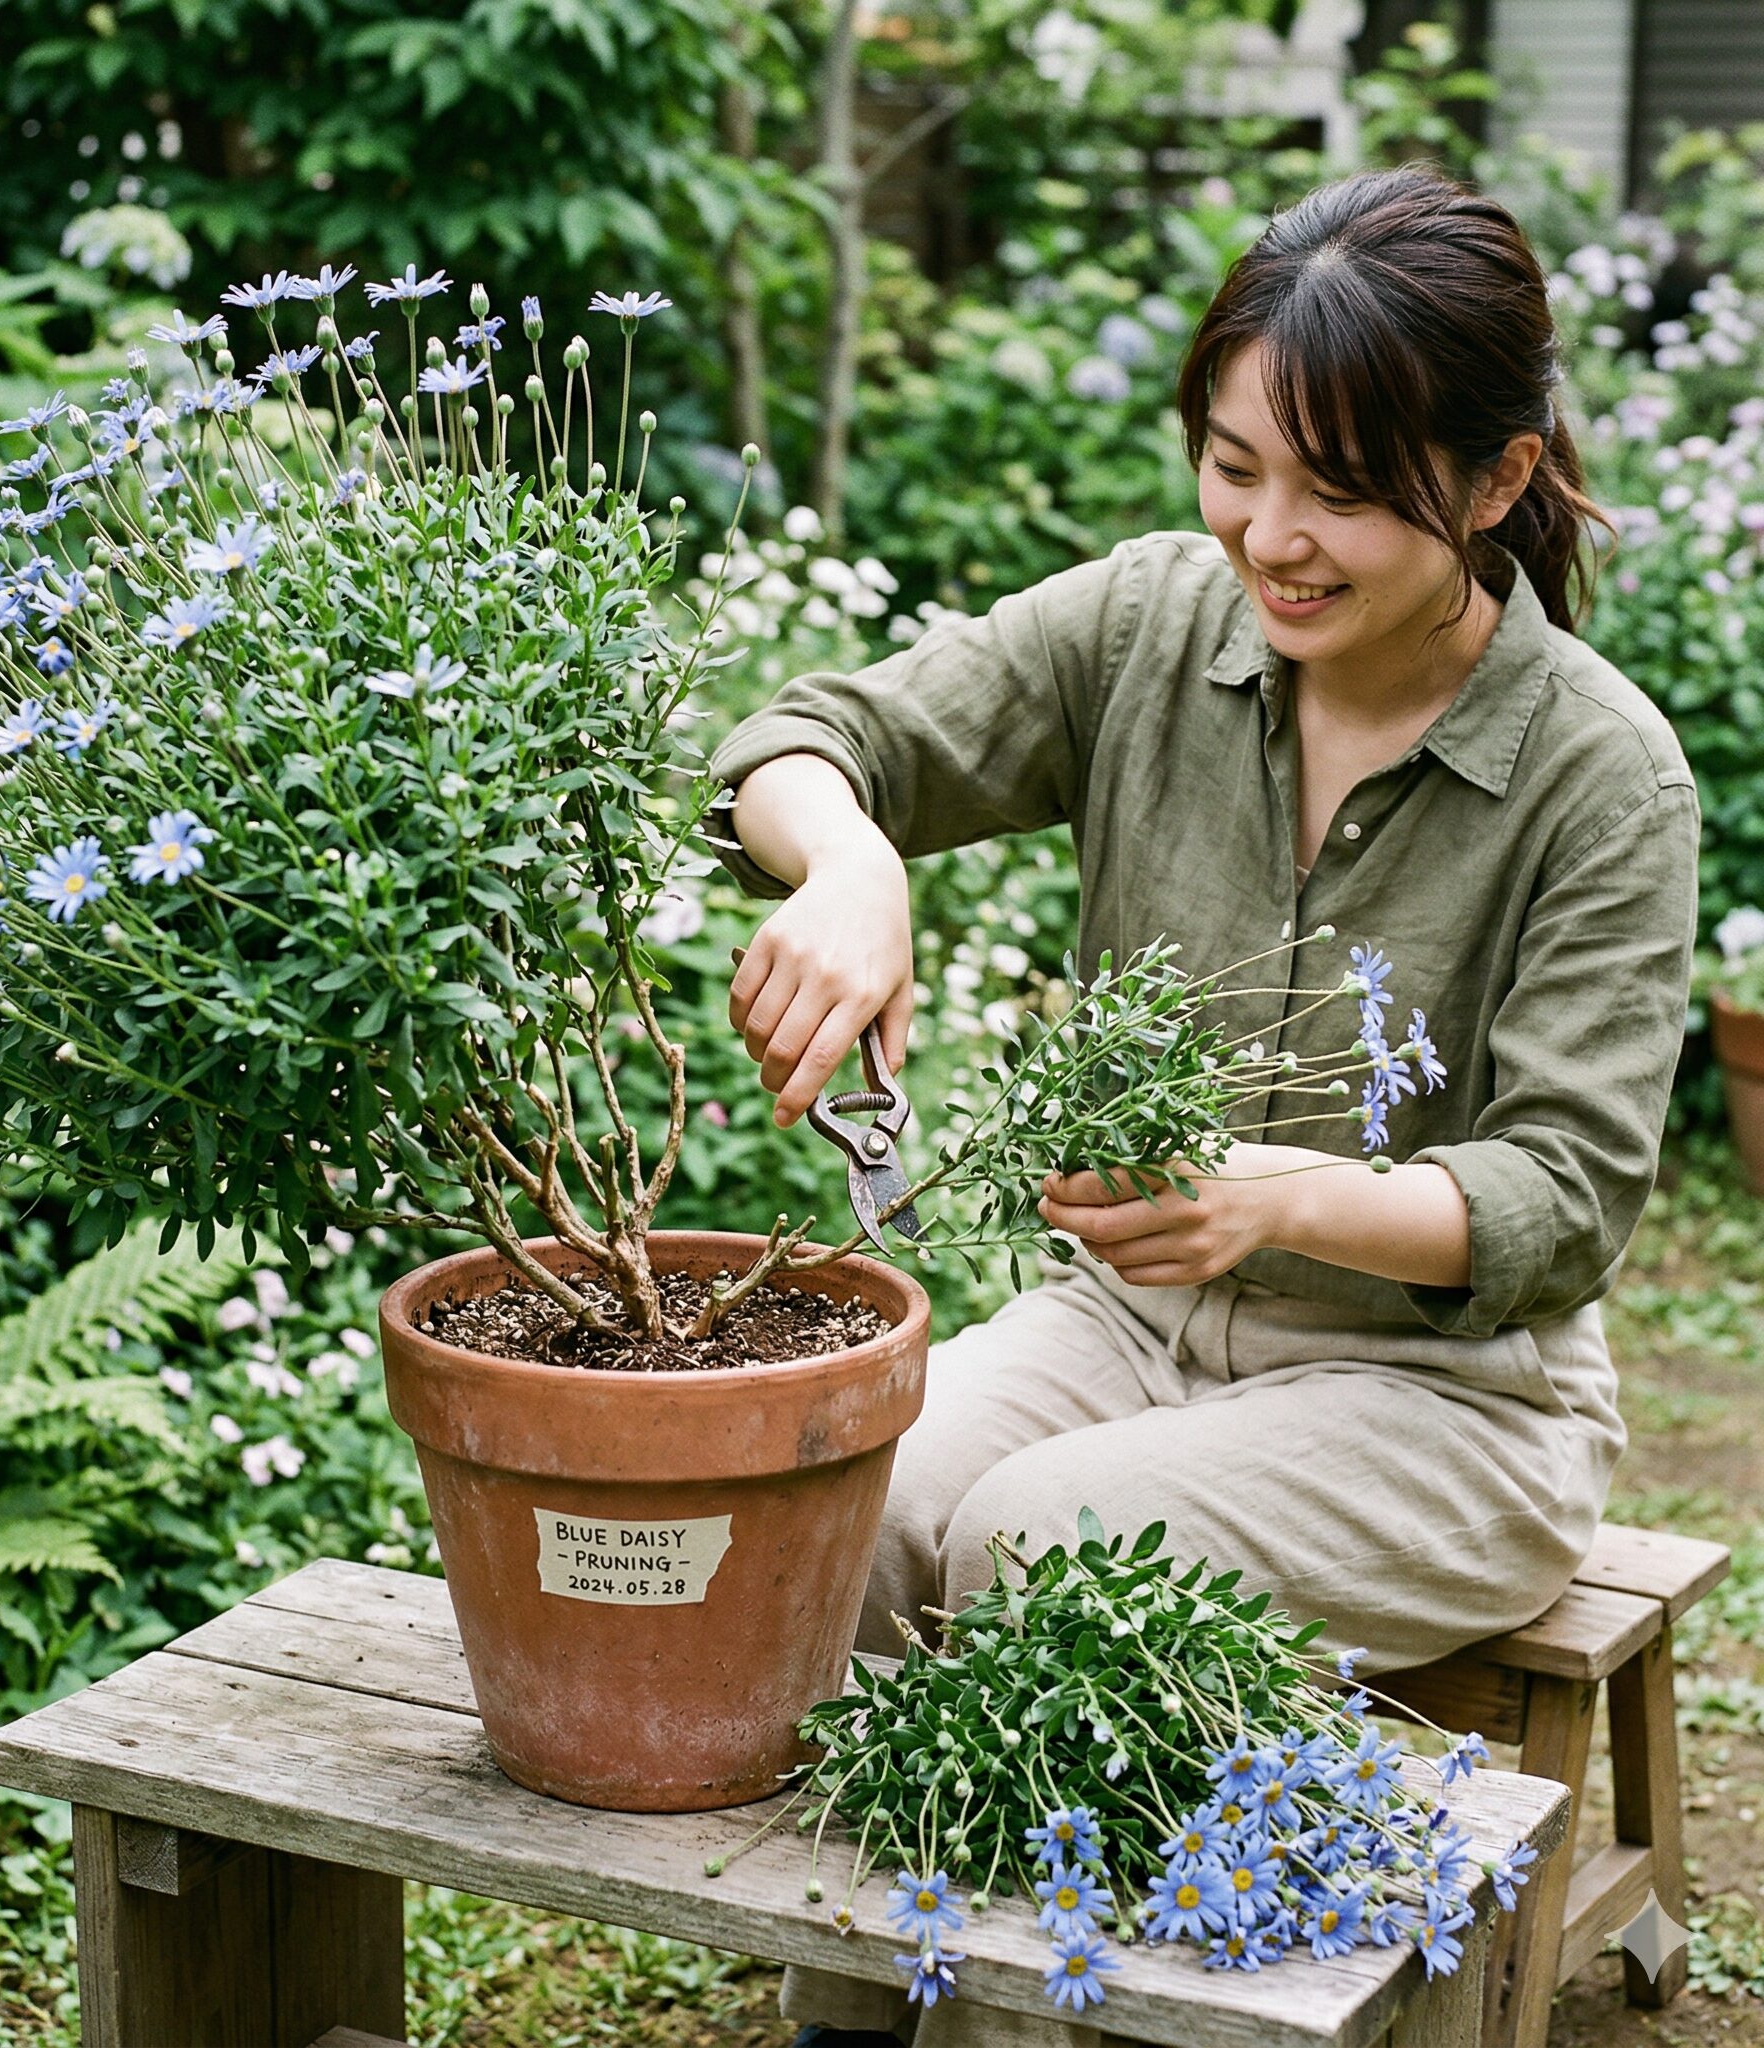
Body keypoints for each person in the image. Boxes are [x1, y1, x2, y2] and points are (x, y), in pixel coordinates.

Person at [702, 162, 1699, 2048]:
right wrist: (848, 866)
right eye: (1236, 465)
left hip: (1448, 1401)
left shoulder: (1598, 775)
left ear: (1493, 482)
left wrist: (1283, 1198)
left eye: (1341, 489)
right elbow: (807, 734)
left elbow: (1563, 1200)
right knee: (847, 1510)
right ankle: (855, 2014)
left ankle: (1035, 2023)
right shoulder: (1156, 627)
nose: (1273, 535)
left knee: (1044, 1545)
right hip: (1127, 1324)